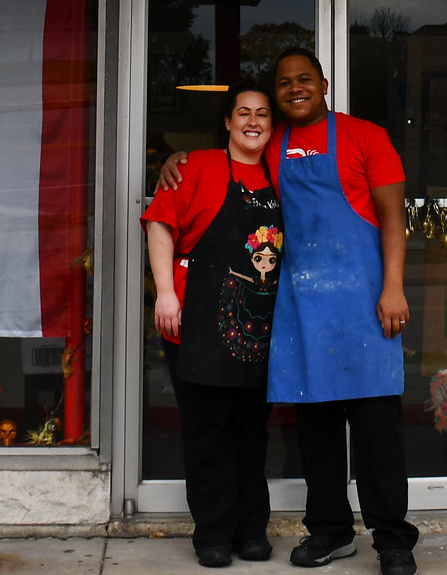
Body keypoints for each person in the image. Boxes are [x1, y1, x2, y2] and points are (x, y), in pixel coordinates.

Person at [162, 47, 417, 575]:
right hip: (300, 311)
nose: (294, 88)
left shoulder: (366, 136)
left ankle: (393, 540)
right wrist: (177, 160)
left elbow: (393, 217)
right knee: (318, 436)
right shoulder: (272, 140)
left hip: (366, 307)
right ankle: (329, 532)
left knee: (376, 437)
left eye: (304, 79)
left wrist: (393, 286)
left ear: (324, 84)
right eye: (283, 82)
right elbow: (232, 157)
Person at [143, 80, 284, 568]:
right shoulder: (196, 166)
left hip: (262, 324)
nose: (252, 121)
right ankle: (213, 535)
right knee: (207, 432)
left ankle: (252, 532)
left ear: (272, 124)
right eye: (242, 112)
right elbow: (160, 223)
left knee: (251, 431)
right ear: (226, 121)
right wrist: (164, 292)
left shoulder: (281, 173)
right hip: (197, 320)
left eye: (262, 114)